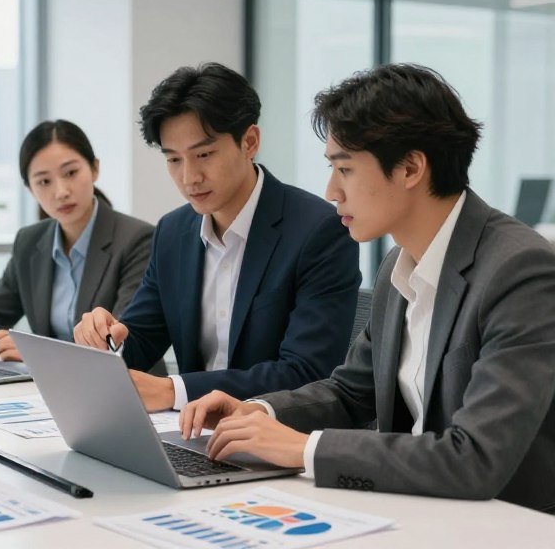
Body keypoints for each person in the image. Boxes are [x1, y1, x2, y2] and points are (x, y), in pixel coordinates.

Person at [180, 64, 555, 512]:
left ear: (411, 167)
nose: (331, 190)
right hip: (418, 509)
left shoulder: (519, 271)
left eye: (345, 169)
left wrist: (303, 450)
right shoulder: (398, 265)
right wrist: (260, 413)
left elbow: (474, 458)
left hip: (508, 524)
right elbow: (351, 392)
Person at [74, 62, 361, 411]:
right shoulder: (172, 232)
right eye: (174, 160)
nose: (189, 176)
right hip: (189, 432)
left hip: (274, 437)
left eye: (204, 154)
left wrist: (174, 391)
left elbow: (306, 372)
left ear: (250, 141)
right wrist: (105, 339)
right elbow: (141, 340)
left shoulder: (318, 231)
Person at [0, 119, 154, 362]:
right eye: (44, 181)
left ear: (94, 169)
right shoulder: (29, 241)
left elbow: (121, 341)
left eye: (71, 173)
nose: (61, 191)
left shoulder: (137, 239)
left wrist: (37, 354)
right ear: (30, 189)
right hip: (49, 389)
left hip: (126, 385)